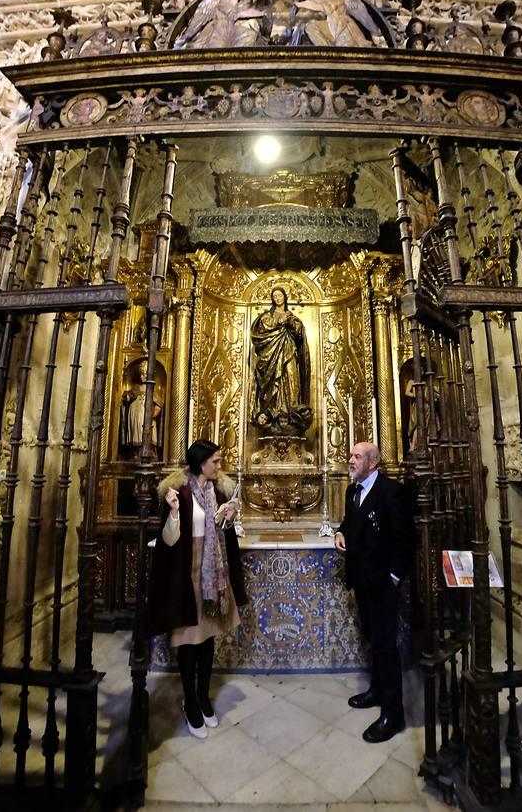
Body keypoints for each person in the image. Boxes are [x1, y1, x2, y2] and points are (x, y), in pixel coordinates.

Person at [145, 440, 247, 739]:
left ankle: (203, 697)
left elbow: (222, 534)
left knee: (207, 639)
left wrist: (229, 518)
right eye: (215, 461)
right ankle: (190, 701)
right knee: (189, 641)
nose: (218, 465)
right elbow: (169, 539)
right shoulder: (180, 492)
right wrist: (174, 512)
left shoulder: (217, 491)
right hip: (187, 573)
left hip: (213, 574)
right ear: (200, 462)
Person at [334, 442, 416, 742]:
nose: (350, 460)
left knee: (385, 646)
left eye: (356, 456)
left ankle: (393, 715)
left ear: (372, 462)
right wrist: (340, 532)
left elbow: (406, 538)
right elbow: (349, 521)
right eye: (351, 454)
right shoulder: (352, 490)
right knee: (371, 637)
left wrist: (395, 576)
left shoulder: (391, 491)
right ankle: (378, 691)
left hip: (382, 583)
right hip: (362, 581)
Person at [250, 287, 310, 429]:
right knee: (273, 383)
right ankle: (273, 410)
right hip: (271, 355)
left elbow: (299, 334)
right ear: (272, 299)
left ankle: (292, 408)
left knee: (291, 377)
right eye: (275, 296)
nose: (278, 298)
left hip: (289, 351)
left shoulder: (291, 316)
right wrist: (278, 322)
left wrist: (289, 322)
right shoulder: (266, 316)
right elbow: (259, 332)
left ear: (285, 297)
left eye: (280, 295)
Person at [120, 360, 163, 459]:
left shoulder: (153, 390)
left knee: (147, 433)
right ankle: (136, 454)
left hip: (146, 415)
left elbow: (159, 403)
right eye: (141, 374)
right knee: (137, 433)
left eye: (144, 374)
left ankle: (149, 453)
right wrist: (127, 397)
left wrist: (155, 412)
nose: (141, 377)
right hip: (135, 414)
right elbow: (128, 395)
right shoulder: (136, 387)